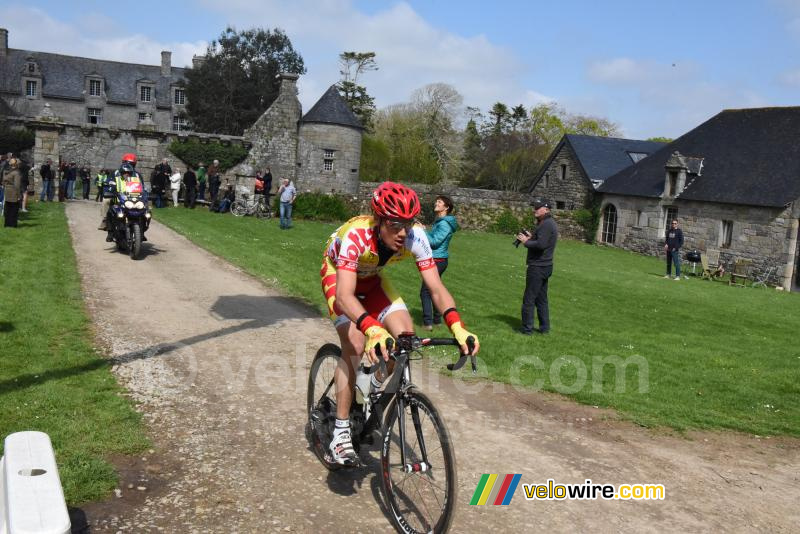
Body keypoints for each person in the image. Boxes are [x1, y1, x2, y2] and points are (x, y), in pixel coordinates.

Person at [320, 181, 480, 465]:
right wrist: (372, 329)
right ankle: (340, 434)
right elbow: (344, 296)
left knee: (405, 338)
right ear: (379, 220)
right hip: (339, 277)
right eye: (395, 224)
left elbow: (436, 288)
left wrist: (457, 324)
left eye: (408, 223)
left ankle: (370, 385)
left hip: (373, 282)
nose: (403, 232)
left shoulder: (414, 237)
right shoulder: (356, 235)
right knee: (355, 343)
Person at [516, 199, 558, 335]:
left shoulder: (546, 224)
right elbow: (540, 240)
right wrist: (531, 237)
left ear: (546, 209)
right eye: (535, 207)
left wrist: (526, 242)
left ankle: (527, 330)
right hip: (545, 266)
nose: (535, 209)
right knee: (541, 299)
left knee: (529, 299)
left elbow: (541, 245)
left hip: (538, 266)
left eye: (538, 207)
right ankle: (544, 328)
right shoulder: (545, 223)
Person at [420, 195, 458, 331]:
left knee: (425, 291)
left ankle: (427, 323)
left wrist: (423, 231)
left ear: (446, 207)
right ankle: (437, 321)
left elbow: (435, 242)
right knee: (434, 289)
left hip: (438, 260)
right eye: (436, 201)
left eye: (439, 202)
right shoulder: (440, 221)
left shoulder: (444, 224)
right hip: (438, 260)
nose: (436, 203)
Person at [2, 158, 23, 227]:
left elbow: (3, 182)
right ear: (16, 164)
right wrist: (19, 195)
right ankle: (12, 224)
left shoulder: (6, 171)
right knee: (14, 209)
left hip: (7, 190)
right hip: (14, 192)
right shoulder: (16, 173)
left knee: (8, 208)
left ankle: (7, 224)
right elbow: (17, 185)